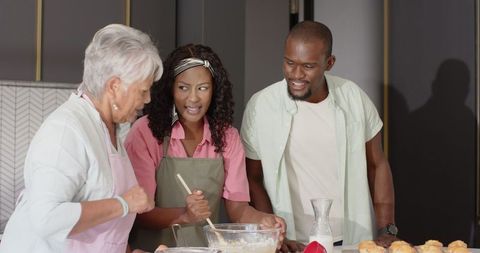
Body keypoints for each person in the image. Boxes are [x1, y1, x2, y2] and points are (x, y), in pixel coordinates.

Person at [0, 24, 163, 253]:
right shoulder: (66, 130)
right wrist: (124, 203)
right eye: (143, 90)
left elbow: (100, 227)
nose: (147, 100)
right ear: (115, 86)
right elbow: (47, 218)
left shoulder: (110, 130)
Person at [240, 20, 396, 252]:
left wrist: (387, 229)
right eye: (289, 63)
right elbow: (252, 177)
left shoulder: (353, 98)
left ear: (329, 63)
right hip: (291, 242)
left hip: (350, 240)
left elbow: (378, 164)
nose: (296, 74)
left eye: (308, 66)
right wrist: (272, 233)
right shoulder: (261, 105)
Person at [125, 44, 285, 251]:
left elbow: (238, 208)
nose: (193, 98)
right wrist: (184, 215)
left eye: (203, 88)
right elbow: (139, 212)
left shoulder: (228, 137)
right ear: (170, 89)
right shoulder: (145, 133)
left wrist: (263, 222)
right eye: (183, 87)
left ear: (214, 89)